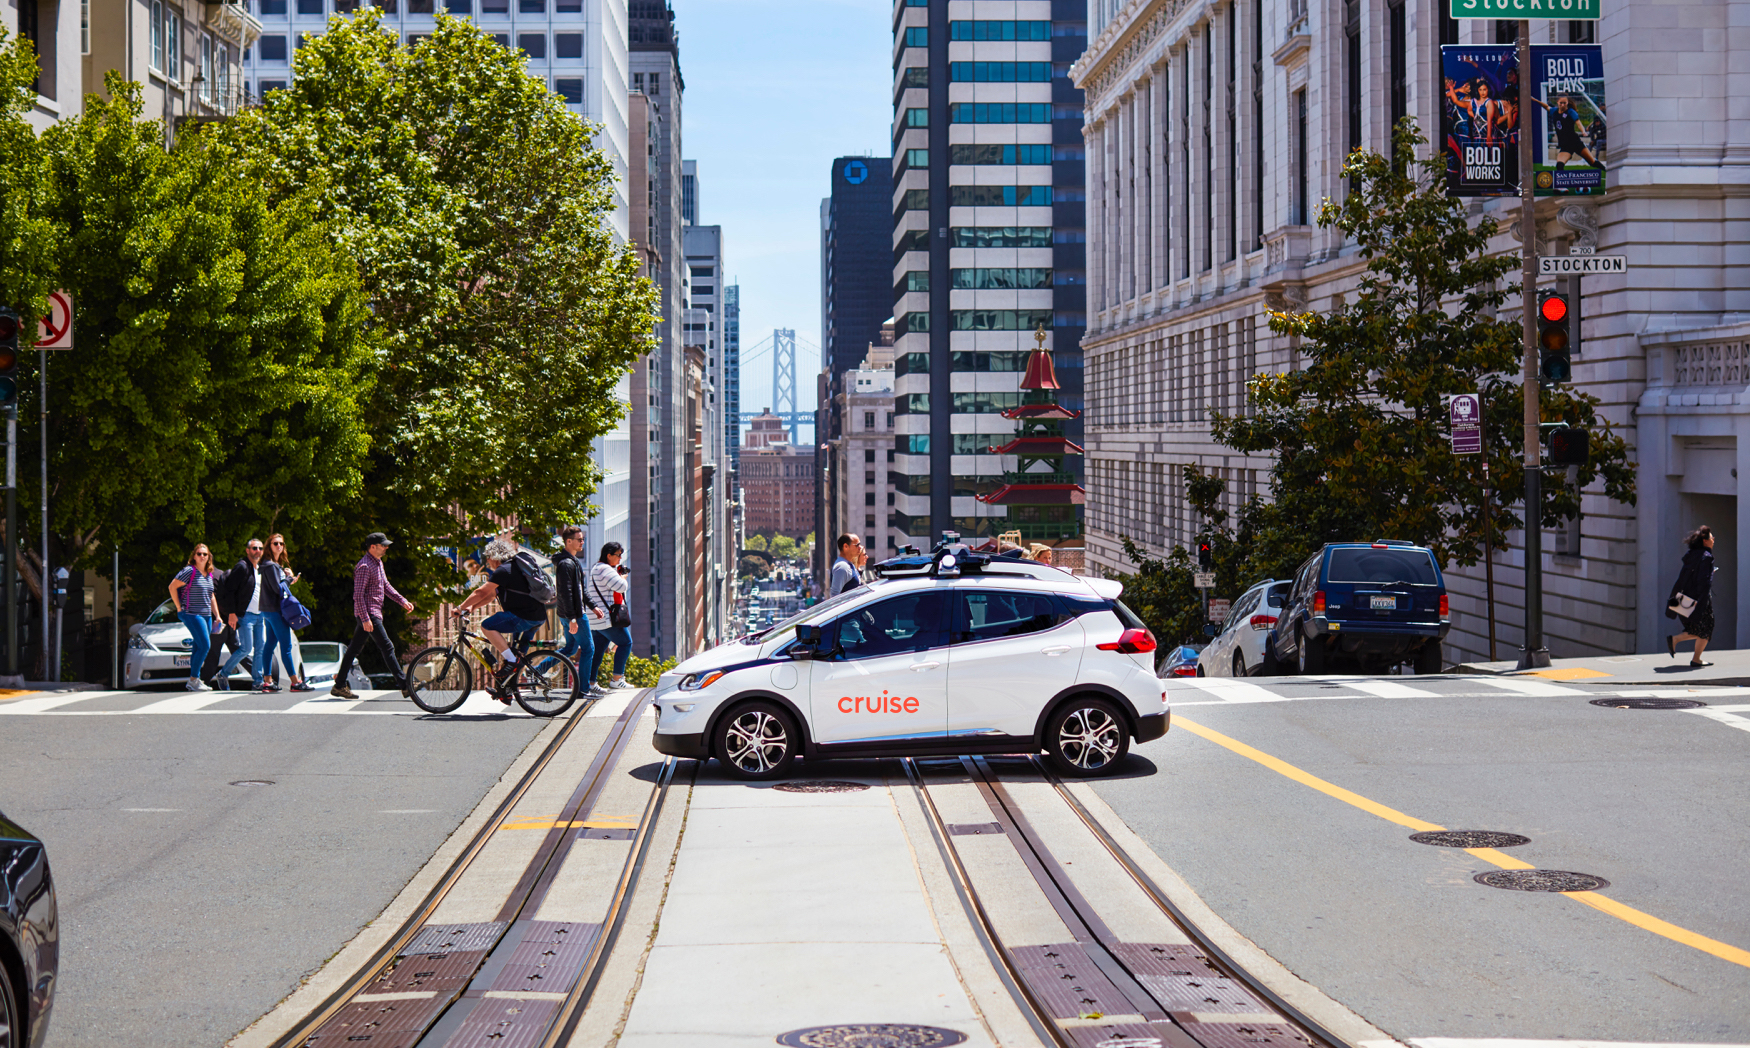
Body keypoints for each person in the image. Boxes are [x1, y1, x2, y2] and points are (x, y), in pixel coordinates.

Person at [454, 538, 550, 697]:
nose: (487, 562)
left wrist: (460, 607)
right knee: (515, 655)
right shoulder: (513, 568)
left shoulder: (503, 570)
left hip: (524, 617)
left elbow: (480, 592)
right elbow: (491, 595)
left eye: (487, 558)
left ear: (494, 557)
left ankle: (511, 663)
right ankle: (506, 692)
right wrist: (472, 607)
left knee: (487, 626)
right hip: (536, 616)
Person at [333, 532, 416, 699]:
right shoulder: (364, 566)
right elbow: (358, 595)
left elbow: (385, 586)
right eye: (382, 545)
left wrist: (402, 600)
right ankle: (405, 685)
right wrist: (365, 618)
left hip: (373, 612)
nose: (386, 548)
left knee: (353, 650)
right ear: (372, 547)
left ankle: (339, 685)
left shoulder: (378, 563)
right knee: (387, 647)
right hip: (369, 613)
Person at [218, 537, 278, 693]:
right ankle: (223, 674)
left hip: (260, 616)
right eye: (254, 548)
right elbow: (230, 590)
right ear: (247, 550)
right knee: (245, 648)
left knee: (260, 648)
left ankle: (258, 681)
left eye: (259, 548)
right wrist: (232, 613)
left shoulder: (261, 568)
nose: (257, 551)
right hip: (245, 615)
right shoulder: (242, 567)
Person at [259, 533, 313, 692]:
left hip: (269, 610)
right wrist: (290, 579)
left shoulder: (272, 565)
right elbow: (278, 589)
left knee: (269, 645)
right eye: (275, 543)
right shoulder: (270, 566)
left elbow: (277, 587)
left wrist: (286, 577)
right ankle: (295, 682)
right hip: (275, 611)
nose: (279, 546)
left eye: (281, 544)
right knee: (286, 646)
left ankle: (268, 682)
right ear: (269, 546)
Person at [168, 544, 222, 692]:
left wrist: (217, 615)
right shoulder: (189, 571)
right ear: (194, 556)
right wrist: (179, 607)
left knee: (198, 646)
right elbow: (172, 587)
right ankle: (193, 680)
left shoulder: (209, 574)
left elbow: (211, 596)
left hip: (206, 615)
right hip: (192, 613)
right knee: (205, 645)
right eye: (199, 554)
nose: (202, 556)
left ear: (209, 556)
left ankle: (195, 680)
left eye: (205, 554)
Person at [552, 526, 597, 688]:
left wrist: (593, 606)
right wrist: (572, 618)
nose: (582, 542)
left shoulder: (572, 561)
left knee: (570, 649)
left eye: (583, 539)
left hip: (569, 614)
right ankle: (584, 688)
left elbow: (580, 588)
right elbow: (565, 592)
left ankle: (536, 670)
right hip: (574, 615)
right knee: (588, 649)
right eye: (579, 540)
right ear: (568, 541)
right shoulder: (566, 564)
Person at [1667, 525, 1718, 667]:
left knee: (1700, 629)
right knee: (1706, 629)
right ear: (1705, 541)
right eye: (1711, 537)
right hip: (1698, 599)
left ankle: (1696, 658)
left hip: (1685, 597)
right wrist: (1701, 601)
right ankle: (1679, 643)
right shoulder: (1706, 557)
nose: (1713, 540)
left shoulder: (1693, 555)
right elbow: (1703, 582)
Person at [586, 542, 633, 691]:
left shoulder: (597, 568)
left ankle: (591, 683)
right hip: (606, 618)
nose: (620, 559)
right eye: (618, 555)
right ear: (609, 555)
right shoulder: (605, 569)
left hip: (596, 618)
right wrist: (623, 577)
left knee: (599, 650)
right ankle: (617, 679)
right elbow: (621, 587)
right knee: (626, 643)